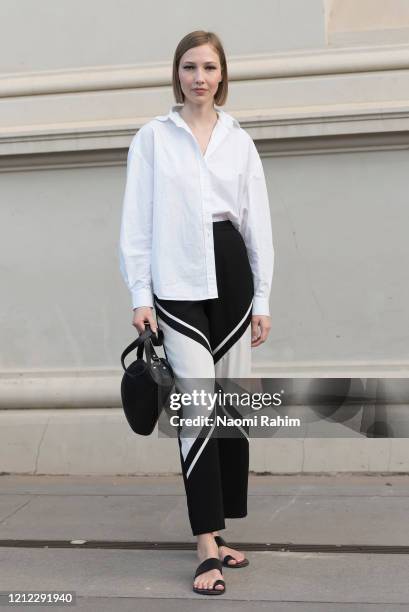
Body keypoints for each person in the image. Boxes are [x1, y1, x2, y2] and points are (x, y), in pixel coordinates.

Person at [119, 30, 274, 596]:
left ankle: (222, 526)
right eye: (190, 67)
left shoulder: (240, 140)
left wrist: (263, 299)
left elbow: (257, 225)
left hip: (233, 277)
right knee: (197, 405)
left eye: (209, 66)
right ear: (177, 74)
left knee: (231, 403)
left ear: (223, 74)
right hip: (177, 280)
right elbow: (136, 223)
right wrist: (141, 294)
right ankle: (204, 543)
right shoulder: (153, 139)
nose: (199, 77)